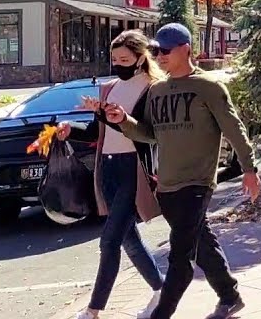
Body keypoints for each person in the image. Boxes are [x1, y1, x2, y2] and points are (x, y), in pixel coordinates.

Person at [102, 23, 261, 319]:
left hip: (197, 182)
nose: (160, 56)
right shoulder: (158, 90)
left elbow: (234, 129)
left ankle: (161, 314)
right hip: (167, 185)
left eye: (166, 50)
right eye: (156, 50)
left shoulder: (208, 87)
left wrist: (249, 169)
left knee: (180, 256)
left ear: (185, 49)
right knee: (201, 243)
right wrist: (123, 120)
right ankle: (230, 296)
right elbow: (148, 133)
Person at [57, 30, 165, 319]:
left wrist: (117, 118)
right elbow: (97, 131)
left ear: (140, 58)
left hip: (134, 170)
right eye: (114, 58)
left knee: (109, 240)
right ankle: (161, 289)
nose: (118, 64)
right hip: (107, 168)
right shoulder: (109, 88)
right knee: (128, 239)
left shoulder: (153, 89)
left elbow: (148, 135)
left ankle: (93, 309)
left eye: (124, 59)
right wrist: (72, 129)